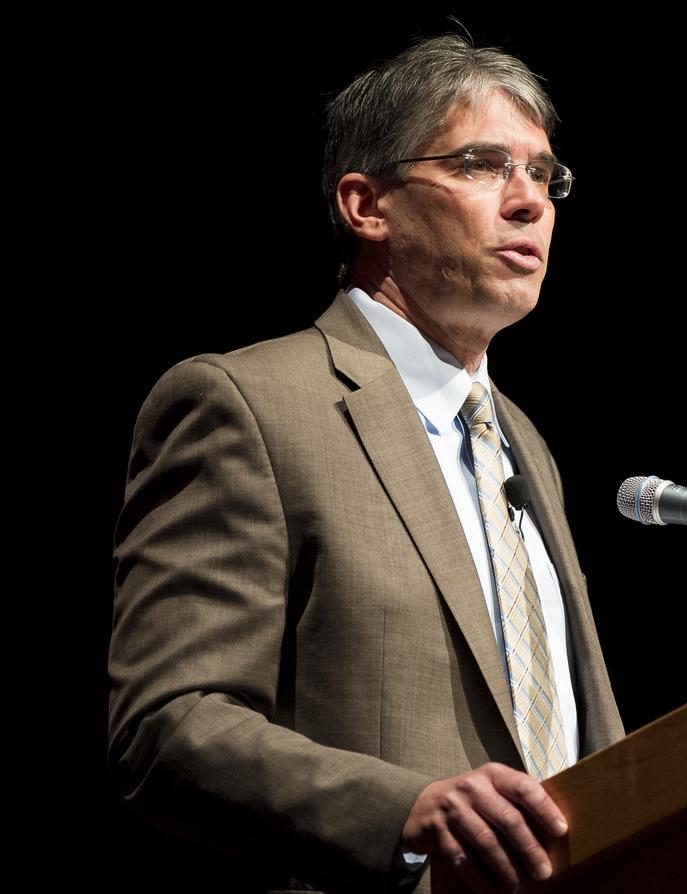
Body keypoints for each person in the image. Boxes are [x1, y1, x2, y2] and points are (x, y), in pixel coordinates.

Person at [108, 34, 624, 894]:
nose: (529, 201)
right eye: (482, 165)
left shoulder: (524, 442)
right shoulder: (249, 404)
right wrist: (401, 813)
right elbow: (168, 726)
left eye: (543, 174)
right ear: (367, 206)